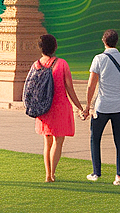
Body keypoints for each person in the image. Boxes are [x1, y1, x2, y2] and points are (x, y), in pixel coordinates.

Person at [33, 33, 86, 182]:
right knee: (58, 141)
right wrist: (80, 107)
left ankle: (47, 174)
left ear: (40, 48)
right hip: (60, 107)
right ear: (55, 47)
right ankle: (52, 174)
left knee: (47, 142)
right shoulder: (62, 64)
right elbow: (70, 88)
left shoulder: (36, 64)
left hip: (44, 108)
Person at [85, 29, 120, 186]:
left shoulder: (99, 59)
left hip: (103, 105)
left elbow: (91, 85)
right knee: (119, 140)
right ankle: (119, 176)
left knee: (95, 138)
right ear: (116, 41)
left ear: (103, 41)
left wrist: (88, 106)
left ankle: (96, 172)